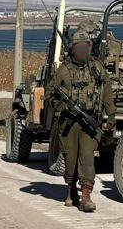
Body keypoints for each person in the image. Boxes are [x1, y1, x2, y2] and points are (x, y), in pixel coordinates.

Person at [47, 34, 113, 212]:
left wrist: (111, 114)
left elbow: (107, 90)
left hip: (89, 122)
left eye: (86, 47)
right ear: (73, 49)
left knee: (87, 157)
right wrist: (62, 106)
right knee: (70, 158)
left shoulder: (97, 67)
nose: (83, 50)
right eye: (80, 47)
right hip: (69, 123)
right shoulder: (63, 70)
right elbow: (49, 95)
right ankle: (71, 189)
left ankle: (86, 195)